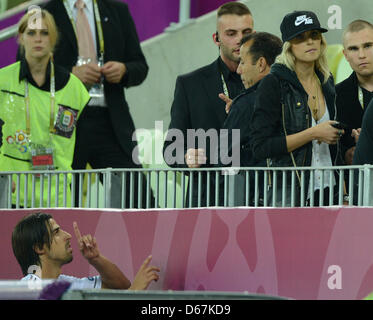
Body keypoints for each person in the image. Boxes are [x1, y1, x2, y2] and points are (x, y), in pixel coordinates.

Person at [41, 0, 153, 208]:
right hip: (64, 119)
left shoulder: (117, 10)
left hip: (110, 119)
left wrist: (124, 70)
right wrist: (71, 74)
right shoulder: (46, 12)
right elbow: (31, 66)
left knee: (139, 200)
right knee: (62, 202)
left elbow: (140, 66)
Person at [163, 2, 254, 207]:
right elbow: (171, 147)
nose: (240, 39)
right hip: (206, 199)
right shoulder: (190, 84)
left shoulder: (269, 82)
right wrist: (187, 157)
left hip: (256, 196)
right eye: (231, 33)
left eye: (246, 32)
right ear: (216, 38)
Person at [250, 11, 345, 206]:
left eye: (314, 35)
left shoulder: (326, 81)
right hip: (290, 192)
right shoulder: (274, 83)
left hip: (329, 189)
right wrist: (313, 133)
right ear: (288, 47)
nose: (310, 42)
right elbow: (260, 147)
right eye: (300, 37)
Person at [0, 9, 90, 207]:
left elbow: (82, 148)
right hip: (10, 194)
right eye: (31, 33)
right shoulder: (2, 82)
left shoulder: (73, 88)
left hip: (57, 197)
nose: (38, 39)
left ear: (54, 39)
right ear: (21, 38)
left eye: (44, 32)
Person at [12, 212, 160, 290]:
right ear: (39, 248)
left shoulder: (67, 283)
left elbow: (120, 287)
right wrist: (134, 293)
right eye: (56, 232)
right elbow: (129, 290)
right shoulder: (28, 290)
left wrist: (96, 259)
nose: (67, 235)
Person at [216, 32, 282, 206]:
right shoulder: (299, 96)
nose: (238, 70)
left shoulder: (246, 104)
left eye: (243, 62)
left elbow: (225, 159)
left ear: (260, 64)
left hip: (253, 205)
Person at [336, 20, 373, 165]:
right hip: (355, 183)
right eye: (353, 49)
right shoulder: (335, 96)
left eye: (368, 46)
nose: (361, 55)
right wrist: (347, 154)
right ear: (345, 55)